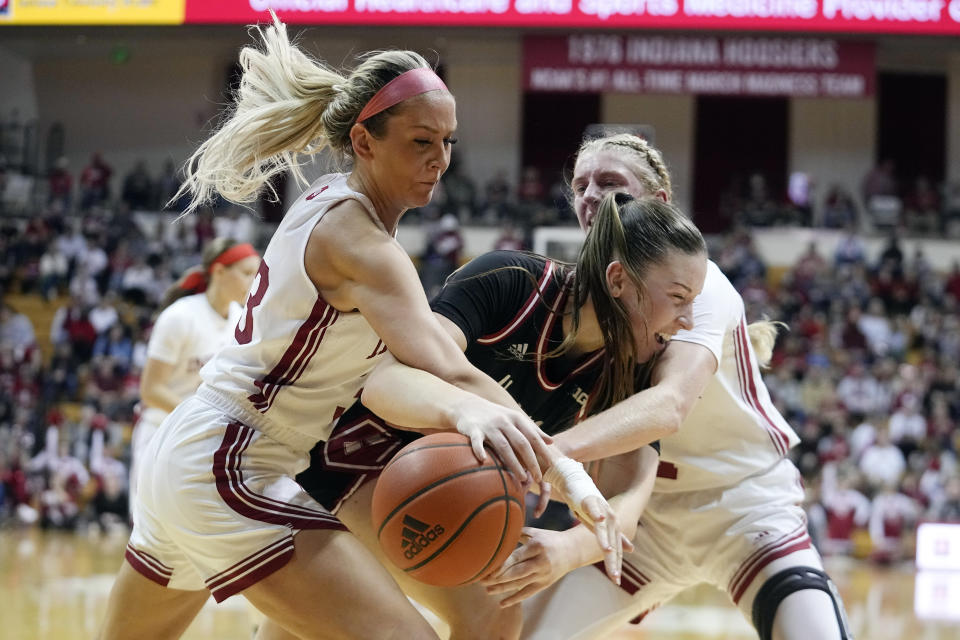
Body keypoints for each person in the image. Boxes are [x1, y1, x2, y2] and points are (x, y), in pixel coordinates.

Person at [98, 14, 613, 640]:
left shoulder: (338, 210)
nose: (440, 160)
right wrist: (568, 474)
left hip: (195, 450)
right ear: (365, 142)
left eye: (448, 142)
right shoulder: (361, 241)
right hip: (231, 461)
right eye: (421, 142)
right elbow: (446, 369)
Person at [284, 192, 707, 639]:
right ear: (618, 280)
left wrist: (568, 548)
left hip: (437, 491)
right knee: (486, 616)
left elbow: (624, 506)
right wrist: (468, 413)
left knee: (495, 613)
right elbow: (384, 384)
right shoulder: (512, 282)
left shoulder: (631, 367)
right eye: (678, 298)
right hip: (354, 457)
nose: (689, 320)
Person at [483, 133, 853, 640]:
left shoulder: (700, 287)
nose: (591, 196)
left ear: (657, 203)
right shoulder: (575, 297)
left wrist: (549, 452)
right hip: (645, 517)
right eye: (580, 184)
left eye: (611, 184)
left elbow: (670, 404)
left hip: (742, 502)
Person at [129, 237, 260, 513]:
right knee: (152, 544)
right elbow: (150, 390)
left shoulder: (242, 318)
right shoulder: (180, 317)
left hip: (208, 441)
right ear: (219, 272)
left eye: (256, 274)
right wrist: (204, 421)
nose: (254, 281)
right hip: (161, 433)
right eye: (247, 273)